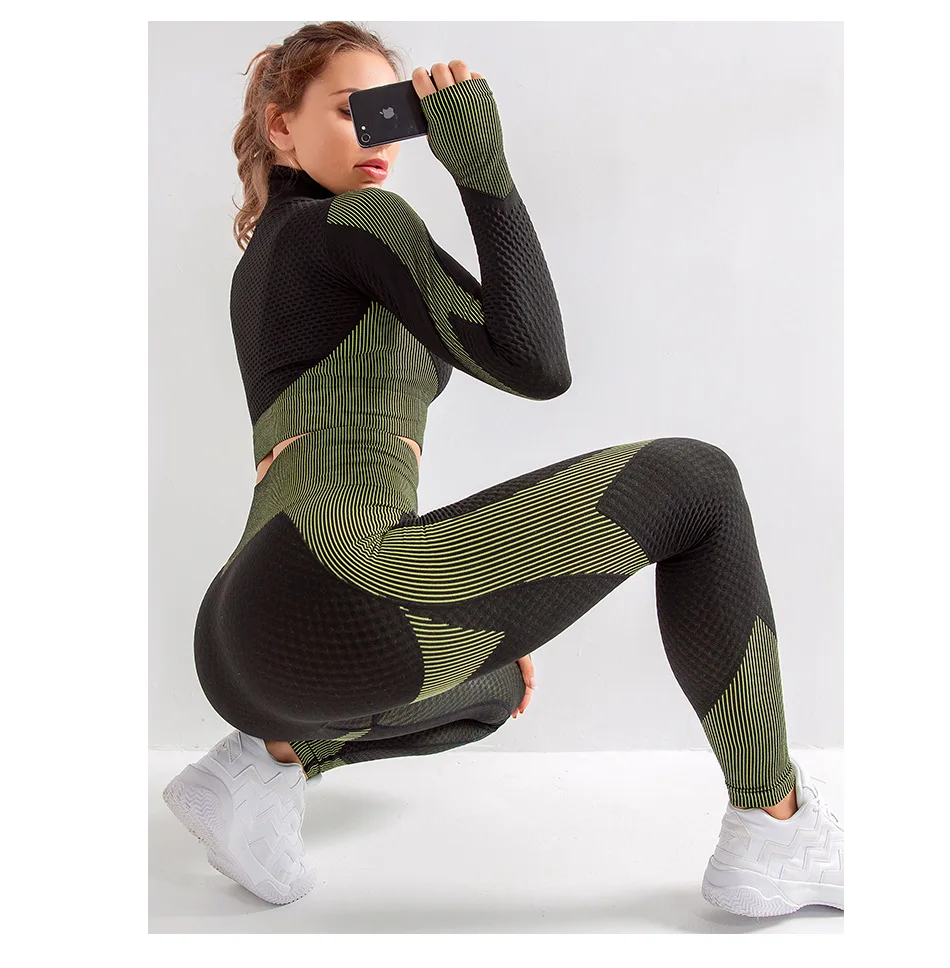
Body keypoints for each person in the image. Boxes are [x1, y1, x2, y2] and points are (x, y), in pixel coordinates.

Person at [162, 21, 844, 916]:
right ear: (280, 126)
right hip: (335, 585)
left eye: (387, 113)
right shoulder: (359, 220)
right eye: (351, 110)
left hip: (237, 642)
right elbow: (536, 363)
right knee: (700, 483)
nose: (379, 136)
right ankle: (776, 825)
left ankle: (261, 765)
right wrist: (481, 165)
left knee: (494, 688)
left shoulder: (268, 261)